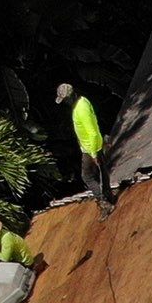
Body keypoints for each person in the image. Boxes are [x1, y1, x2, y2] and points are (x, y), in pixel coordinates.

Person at [58, 83, 112, 213]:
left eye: (64, 100)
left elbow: (91, 132)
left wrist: (93, 153)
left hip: (90, 147)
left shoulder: (80, 110)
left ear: (69, 98)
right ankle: (108, 194)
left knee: (87, 176)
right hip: (95, 143)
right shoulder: (83, 101)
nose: (64, 103)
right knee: (102, 171)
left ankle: (104, 203)